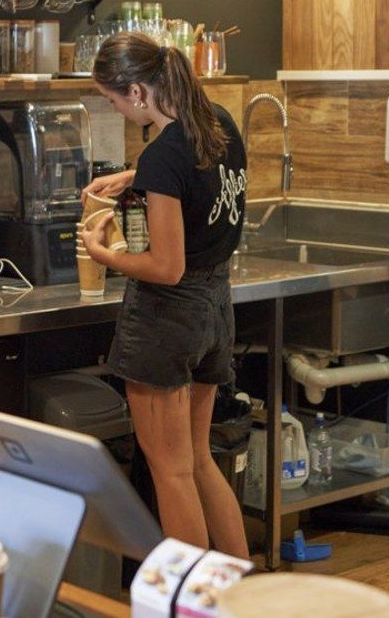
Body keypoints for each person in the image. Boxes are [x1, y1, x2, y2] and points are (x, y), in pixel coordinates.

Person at [77, 31, 250, 558]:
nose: (117, 110)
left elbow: (165, 267)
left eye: (112, 101)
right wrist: (137, 176)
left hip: (168, 318)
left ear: (136, 92)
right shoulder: (217, 121)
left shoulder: (163, 155)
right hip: (216, 309)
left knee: (170, 472)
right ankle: (239, 591)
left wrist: (99, 252)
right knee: (197, 460)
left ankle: (192, 604)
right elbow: (193, 178)